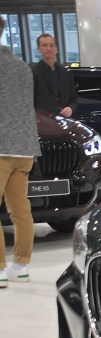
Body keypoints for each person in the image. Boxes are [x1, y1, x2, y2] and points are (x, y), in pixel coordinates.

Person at [0, 16, 41, 286]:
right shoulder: (23, 67)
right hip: (24, 148)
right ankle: (20, 265)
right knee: (21, 210)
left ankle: (0, 269)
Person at [31, 33, 78, 117]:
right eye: (44, 45)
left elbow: (74, 99)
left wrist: (70, 108)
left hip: (64, 121)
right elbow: (30, 101)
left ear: (56, 49)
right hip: (43, 122)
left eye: (51, 45)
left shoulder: (65, 72)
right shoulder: (33, 72)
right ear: (39, 49)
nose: (48, 48)